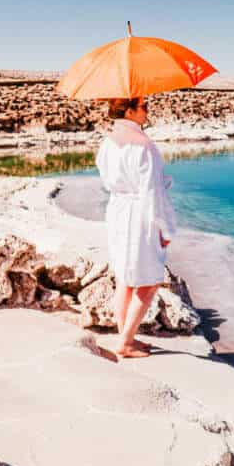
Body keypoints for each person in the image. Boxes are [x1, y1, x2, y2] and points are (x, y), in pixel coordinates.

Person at [95, 96, 177, 358]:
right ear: (129, 111)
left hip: (118, 212)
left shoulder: (108, 143)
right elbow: (152, 194)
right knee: (149, 281)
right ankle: (126, 342)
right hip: (141, 216)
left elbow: (109, 178)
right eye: (144, 107)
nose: (147, 111)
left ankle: (126, 337)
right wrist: (165, 230)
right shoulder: (144, 146)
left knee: (125, 279)